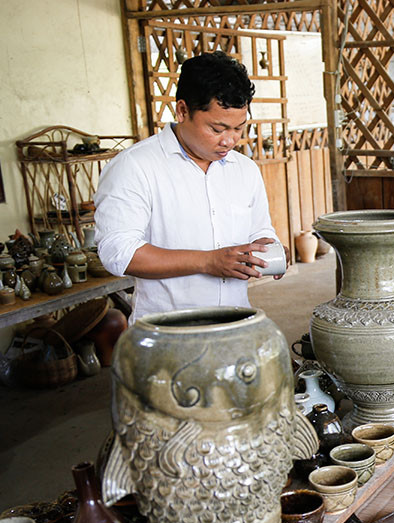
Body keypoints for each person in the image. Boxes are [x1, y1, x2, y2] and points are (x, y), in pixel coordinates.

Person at [95, 51, 286, 324]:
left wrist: (271, 249)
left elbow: (260, 230)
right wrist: (207, 261)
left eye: (239, 128)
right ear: (183, 110)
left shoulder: (244, 170)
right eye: (218, 129)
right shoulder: (134, 167)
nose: (229, 140)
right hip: (166, 334)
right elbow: (119, 254)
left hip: (237, 324)